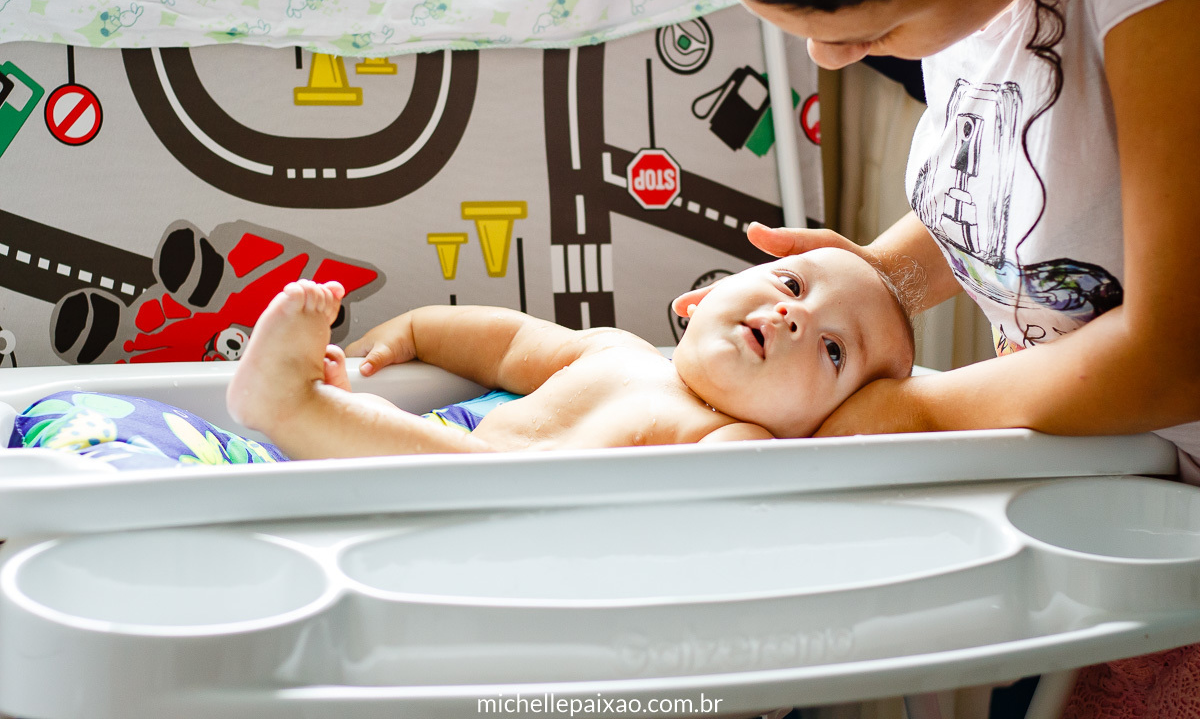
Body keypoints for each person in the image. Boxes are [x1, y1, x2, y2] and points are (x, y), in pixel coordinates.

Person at [680, 0, 1200, 714]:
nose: (828, 59)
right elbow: (1038, 179)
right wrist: (880, 280)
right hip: (1105, 487)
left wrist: (917, 411)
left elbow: (1178, 354)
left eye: (874, 31)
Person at [224, 247, 914, 460]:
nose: (795, 316)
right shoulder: (619, 350)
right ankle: (329, 414)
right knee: (426, 449)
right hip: (455, 468)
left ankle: (289, 406)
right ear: (695, 302)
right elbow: (507, 343)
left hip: (508, 517)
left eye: (832, 350)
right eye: (791, 285)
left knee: (471, 473)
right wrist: (417, 331)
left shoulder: (730, 440)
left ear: (820, 422)